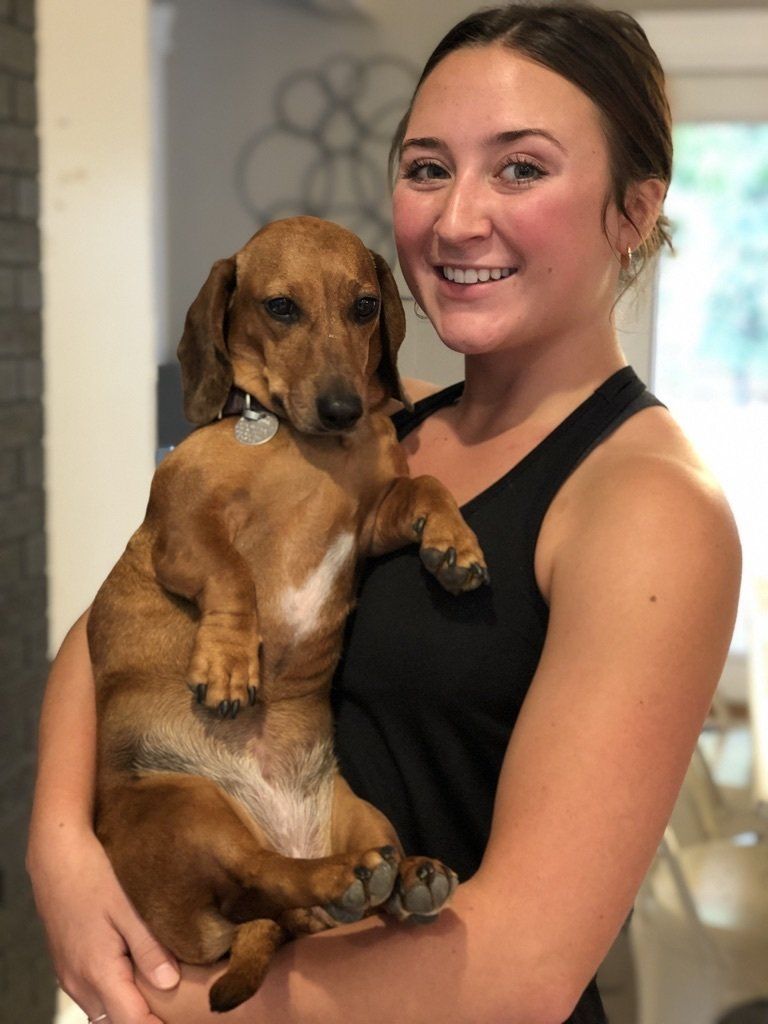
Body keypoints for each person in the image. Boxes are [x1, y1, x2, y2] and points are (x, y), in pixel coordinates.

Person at [27, 3, 742, 1023]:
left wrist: (165, 1007)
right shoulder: (371, 430)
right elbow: (121, 615)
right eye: (426, 167)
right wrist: (57, 845)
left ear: (632, 210)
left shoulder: (648, 504)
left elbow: (520, 969)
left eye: (522, 168)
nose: (457, 218)